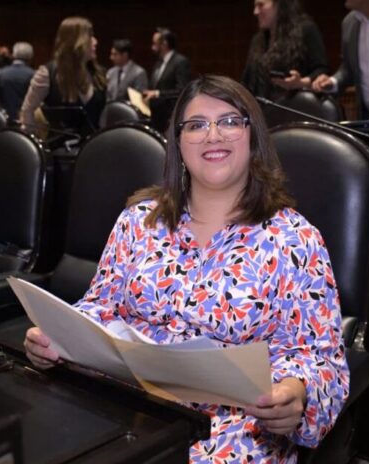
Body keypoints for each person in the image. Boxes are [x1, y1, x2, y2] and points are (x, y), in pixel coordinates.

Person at [24, 75, 349, 462]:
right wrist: (57, 338)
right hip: (127, 404)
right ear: (178, 143)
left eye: (230, 121)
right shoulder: (138, 220)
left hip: (234, 427)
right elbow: (100, 307)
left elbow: (322, 361)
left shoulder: (295, 239)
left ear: (253, 137)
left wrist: (297, 393)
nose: (213, 135)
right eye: (196, 125)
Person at [19, 16, 107, 136]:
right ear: (76, 41)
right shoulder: (48, 73)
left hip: (95, 144)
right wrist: (33, 137)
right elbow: (27, 111)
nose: (95, 42)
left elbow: (104, 116)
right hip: (60, 146)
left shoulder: (98, 73)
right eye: (90, 36)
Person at [241, 0, 329, 100]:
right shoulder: (257, 40)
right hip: (262, 107)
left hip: (295, 105)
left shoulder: (306, 30)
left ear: (279, 5)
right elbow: (246, 81)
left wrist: (301, 82)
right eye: (255, 6)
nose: (255, 12)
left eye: (261, 5)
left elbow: (321, 70)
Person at [143, 27, 191, 102]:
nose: (152, 48)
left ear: (164, 44)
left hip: (170, 108)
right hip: (155, 108)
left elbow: (181, 90)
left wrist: (157, 93)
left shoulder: (180, 62)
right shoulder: (159, 62)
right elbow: (155, 87)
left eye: (155, 44)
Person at [0, 42, 35, 121]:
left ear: (13, 55)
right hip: (26, 119)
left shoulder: (1, 74)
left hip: (5, 119)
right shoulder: (33, 74)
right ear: (31, 57)